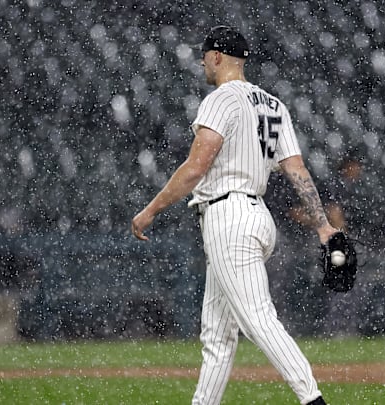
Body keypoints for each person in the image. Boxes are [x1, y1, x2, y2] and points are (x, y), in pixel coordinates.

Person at [131, 26, 336, 405]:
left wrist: (151, 209)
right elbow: (296, 170)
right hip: (256, 215)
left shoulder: (221, 99)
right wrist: (322, 224)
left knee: (258, 320)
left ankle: (313, 401)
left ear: (216, 57)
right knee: (217, 334)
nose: (202, 63)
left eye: (205, 55)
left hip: (229, 217)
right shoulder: (273, 104)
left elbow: (195, 168)